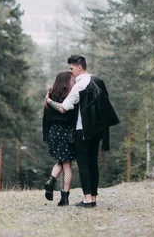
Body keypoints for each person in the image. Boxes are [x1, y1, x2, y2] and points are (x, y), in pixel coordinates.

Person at [45, 55, 119, 208]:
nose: (71, 73)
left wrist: (49, 101)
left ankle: (87, 199)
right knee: (93, 163)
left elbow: (63, 108)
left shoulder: (79, 86)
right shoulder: (97, 80)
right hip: (97, 130)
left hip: (82, 130)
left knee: (84, 164)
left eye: (72, 69)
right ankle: (93, 197)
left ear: (79, 67)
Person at [43, 70, 77, 206]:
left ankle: (50, 181)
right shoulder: (70, 96)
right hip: (66, 132)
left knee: (61, 161)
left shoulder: (50, 95)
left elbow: (46, 118)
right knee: (67, 165)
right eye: (72, 80)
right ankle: (65, 198)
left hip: (53, 132)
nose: (73, 82)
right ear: (66, 81)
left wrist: (46, 135)